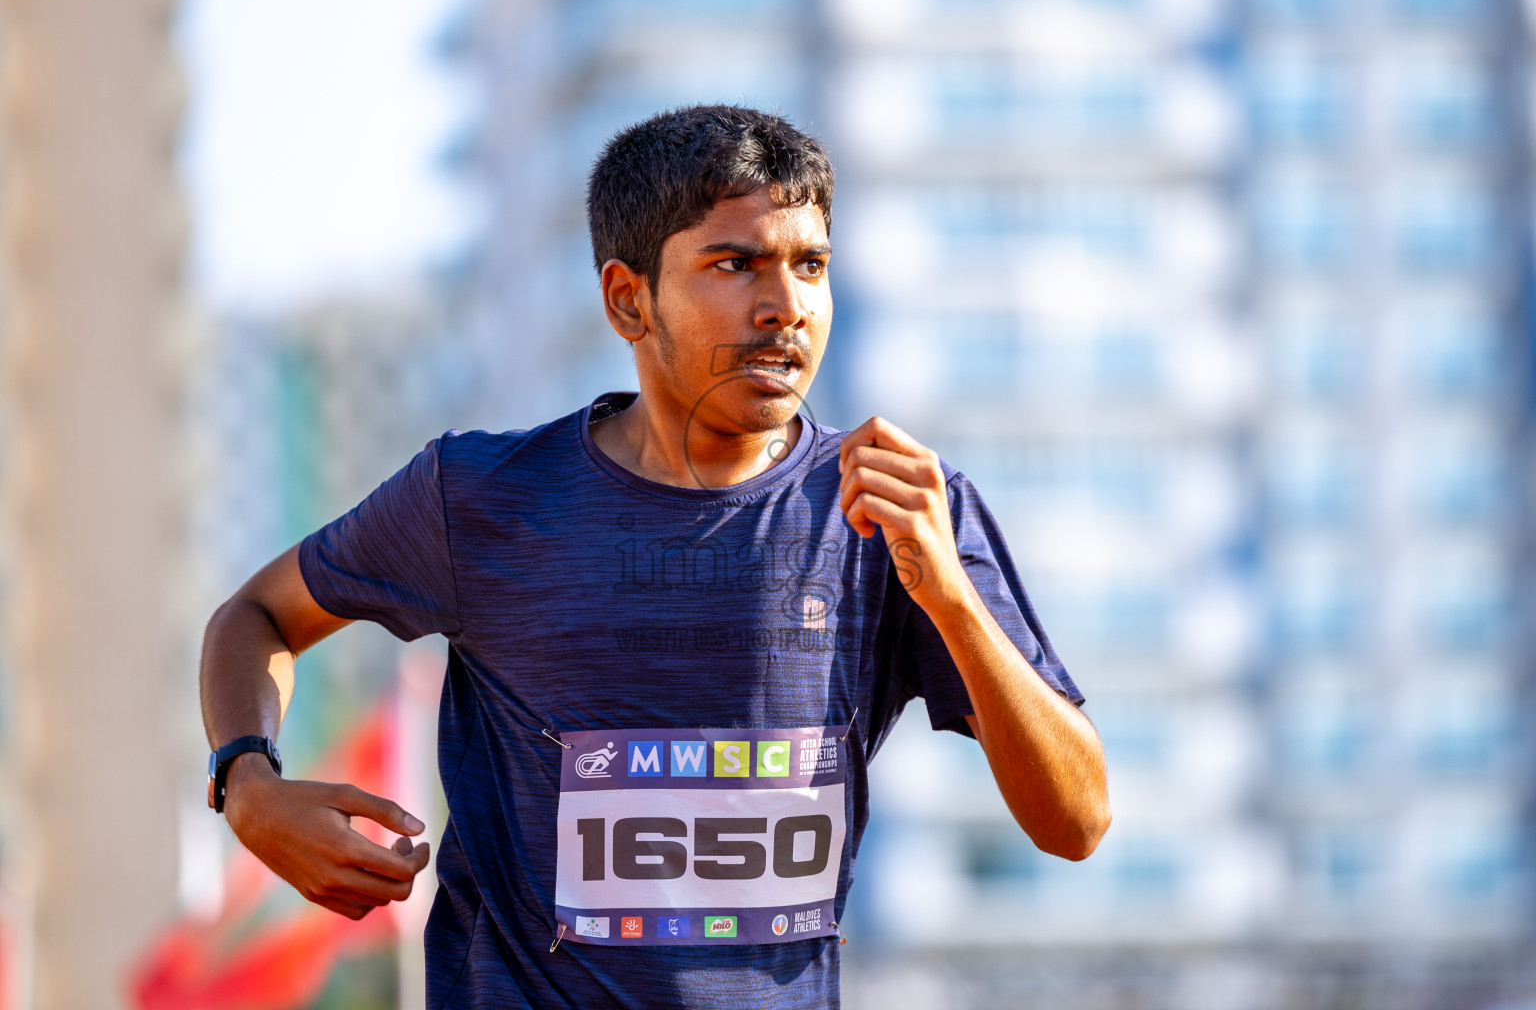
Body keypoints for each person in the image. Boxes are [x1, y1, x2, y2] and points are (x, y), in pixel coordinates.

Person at [199, 104, 1110, 1009]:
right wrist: (247, 783)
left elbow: (1077, 821)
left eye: (811, 265)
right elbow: (256, 614)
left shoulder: (897, 507)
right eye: (733, 263)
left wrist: (949, 597)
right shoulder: (481, 494)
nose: (784, 307)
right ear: (628, 300)